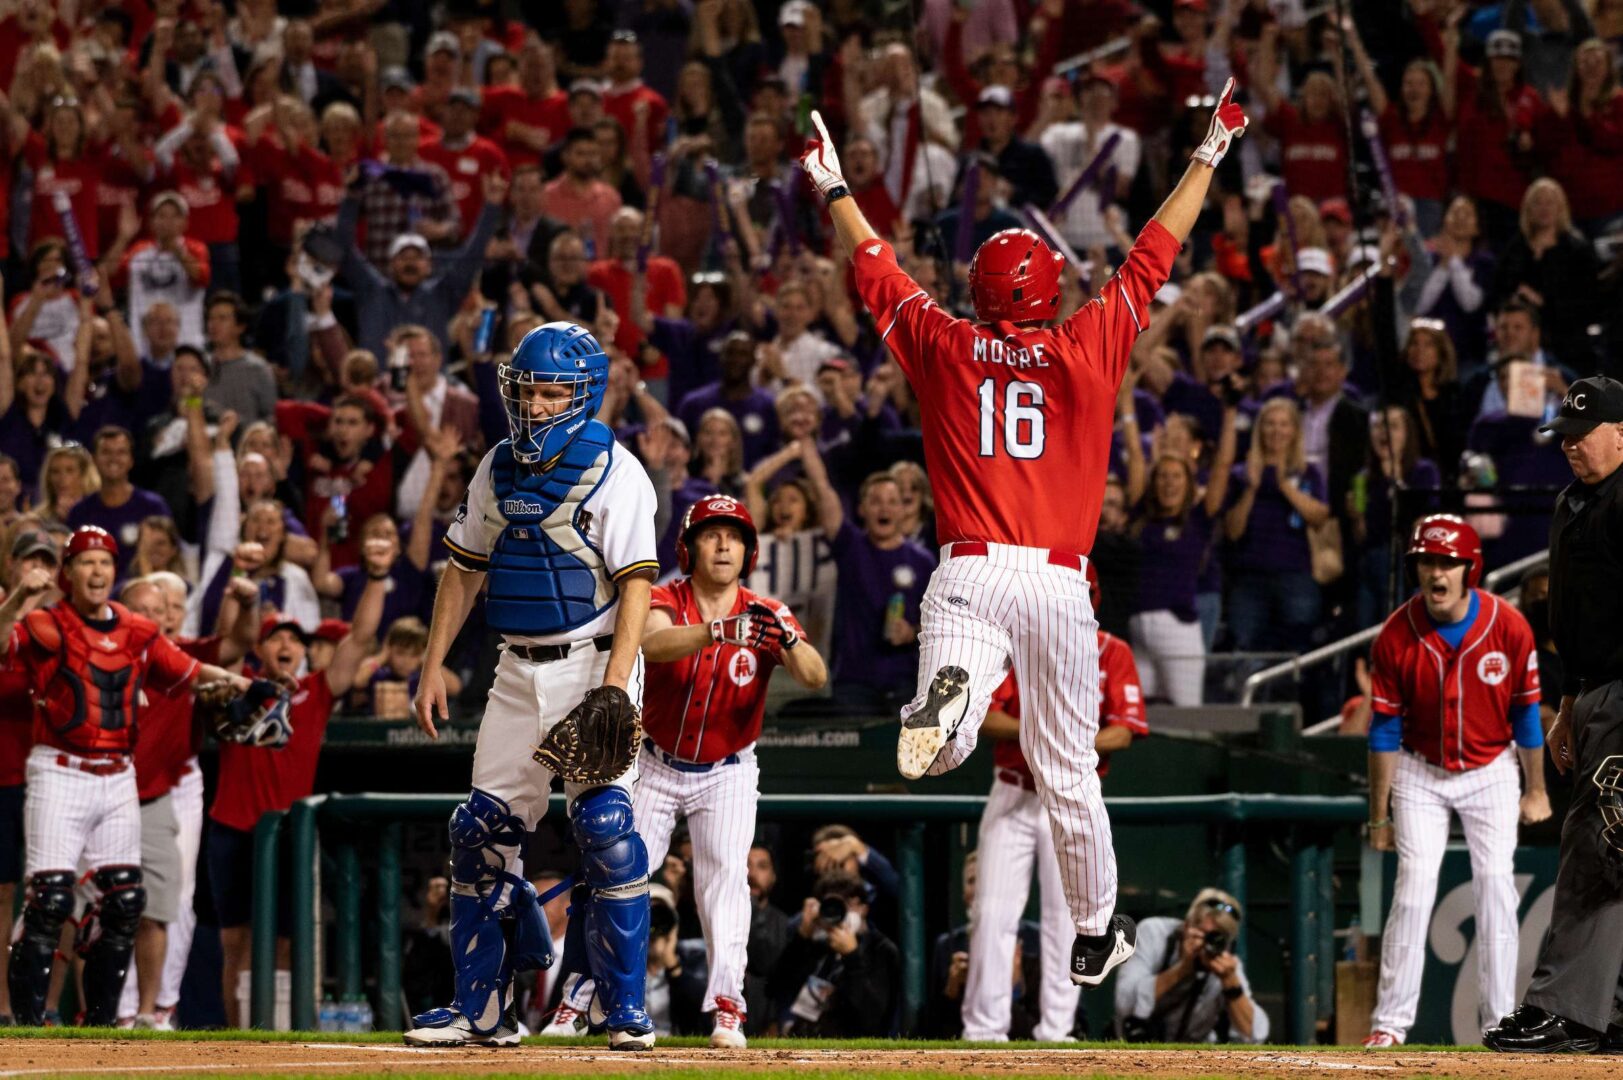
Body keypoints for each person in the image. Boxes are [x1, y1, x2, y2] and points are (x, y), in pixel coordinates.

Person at [796, 83, 1248, 984]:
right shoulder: (1088, 342)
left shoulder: (947, 343)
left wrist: (833, 186)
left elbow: (878, 265)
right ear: (1047, 289)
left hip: (966, 569)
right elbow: (1155, 250)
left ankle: (952, 711)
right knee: (1067, 767)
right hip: (1056, 583)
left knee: (951, 744)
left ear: (979, 291)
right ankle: (1091, 930)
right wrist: (1208, 150)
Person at [403, 321, 661, 1051]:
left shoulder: (618, 470)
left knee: (605, 830)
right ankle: (482, 1013)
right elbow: (463, 569)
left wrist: (614, 688)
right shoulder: (495, 465)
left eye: (553, 392)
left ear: (583, 394)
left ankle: (624, 1011)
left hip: (593, 659)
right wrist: (431, 664)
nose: (539, 405)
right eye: (528, 390)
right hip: (515, 667)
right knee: (477, 832)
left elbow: (637, 584)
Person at [543, 495, 827, 1048]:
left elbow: (814, 675)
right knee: (613, 873)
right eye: (711, 534)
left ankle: (727, 1009)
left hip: (728, 770)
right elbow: (651, 640)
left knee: (724, 880)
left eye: (735, 536)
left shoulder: (765, 609)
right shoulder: (667, 596)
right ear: (689, 547)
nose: (724, 545)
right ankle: (575, 997)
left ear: (749, 550)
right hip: (656, 761)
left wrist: (786, 638)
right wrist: (718, 632)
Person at [0, 526, 258, 1026]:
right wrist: (17, 601)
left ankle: (103, 1026)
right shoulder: (44, 622)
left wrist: (243, 682)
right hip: (60, 771)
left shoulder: (138, 630)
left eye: (104, 562)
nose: (96, 572)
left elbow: (188, 667)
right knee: (50, 902)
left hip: (119, 774)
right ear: (67, 573)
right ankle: (27, 1026)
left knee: (123, 901)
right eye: (86, 562)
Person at [1363, 515, 1551, 1048]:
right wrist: (1380, 816)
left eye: (1447, 561)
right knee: (1415, 886)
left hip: (1492, 767)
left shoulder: (1509, 625)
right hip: (1421, 769)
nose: (1436, 572)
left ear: (1471, 568)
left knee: (1495, 885)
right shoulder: (1396, 634)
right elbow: (1383, 730)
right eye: (1427, 561)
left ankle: (1497, 1024)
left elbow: (1527, 715)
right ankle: (1389, 1025)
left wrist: (1535, 789)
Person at [1486, 377, 1623, 1053]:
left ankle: (1566, 1010)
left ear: (1622, 432)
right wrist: (1567, 706)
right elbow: (1574, 618)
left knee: (1598, 845)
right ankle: (1610, 1010)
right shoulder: (1575, 500)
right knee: (1610, 852)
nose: (1571, 446)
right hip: (1595, 690)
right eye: (1564, 436)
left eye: (1584, 432)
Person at [964, 563, 1146, 1042]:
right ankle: (984, 1030)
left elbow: (1124, 732)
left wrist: (1060, 749)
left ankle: (1058, 1029)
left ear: (1093, 598)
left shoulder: (1112, 651)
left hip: (1068, 796)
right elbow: (987, 718)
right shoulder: (1015, 647)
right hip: (1014, 791)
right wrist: (1049, 741)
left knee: (1069, 917)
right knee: (992, 913)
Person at [208, 591, 383, 1028]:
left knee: (286, 943)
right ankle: (239, 1038)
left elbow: (360, 639)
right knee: (236, 943)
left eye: (294, 640)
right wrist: (241, 592)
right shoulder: (239, 686)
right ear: (258, 648)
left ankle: (277, 1035)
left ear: (304, 650)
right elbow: (224, 640)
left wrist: (377, 577)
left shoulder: (316, 691)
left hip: (289, 834)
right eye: (274, 638)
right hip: (232, 827)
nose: (286, 646)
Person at [1112, 889, 1269, 1043]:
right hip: (1138, 1049)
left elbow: (1256, 1036)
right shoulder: (1154, 933)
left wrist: (1232, 985)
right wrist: (1183, 968)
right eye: (1205, 934)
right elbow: (1125, 1004)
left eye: (1218, 938)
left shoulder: (1226, 965)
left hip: (1191, 1058)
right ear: (1187, 926)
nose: (1209, 944)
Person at [767, 868, 902, 1037]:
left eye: (846, 903)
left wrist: (852, 956)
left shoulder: (881, 949)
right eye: (832, 904)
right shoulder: (817, 946)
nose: (840, 912)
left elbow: (872, 1018)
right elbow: (774, 989)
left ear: (863, 909)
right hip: (807, 1044)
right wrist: (802, 937)